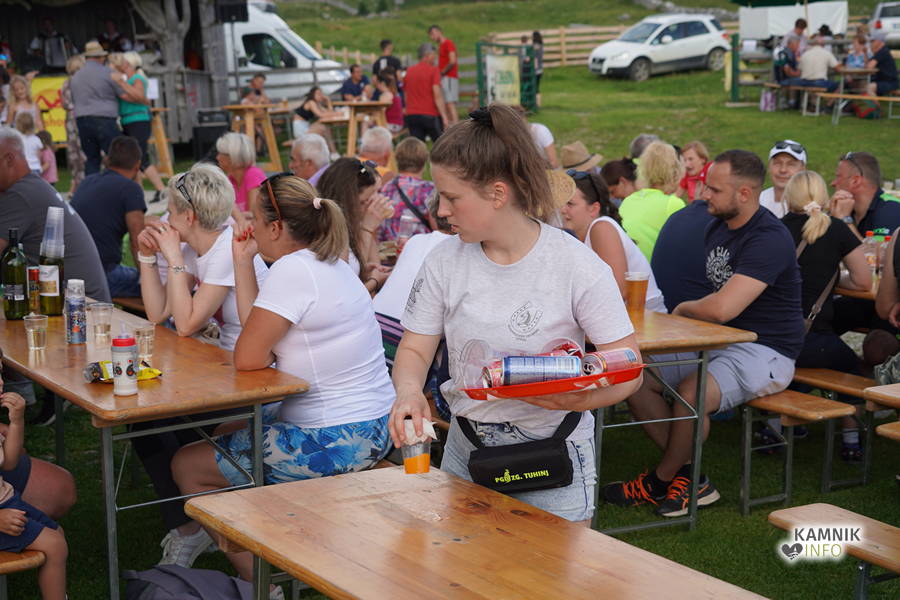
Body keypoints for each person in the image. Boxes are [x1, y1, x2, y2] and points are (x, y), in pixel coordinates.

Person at [390, 104, 642, 525]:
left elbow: (629, 369)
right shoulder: (443, 261)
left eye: (451, 197)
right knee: (460, 565)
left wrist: (581, 398)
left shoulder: (576, 265)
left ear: (497, 193)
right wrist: (410, 391)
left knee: (554, 568)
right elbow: (415, 348)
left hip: (554, 456)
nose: (441, 210)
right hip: (465, 449)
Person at [170, 174, 395, 584]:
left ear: (275, 228)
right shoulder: (330, 260)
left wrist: (259, 343)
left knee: (186, 464)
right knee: (226, 430)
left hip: (335, 437)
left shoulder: (293, 271)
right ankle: (271, 531)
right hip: (377, 423)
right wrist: (243, 262)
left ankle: (263, 584)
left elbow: (248, 357)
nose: (249, 226)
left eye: (255, 219)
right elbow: (259, 337)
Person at [604, 150, 803, 517]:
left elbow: (724, 307)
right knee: (632, 373)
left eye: (714, 189)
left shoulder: (769, 237)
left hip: (767, 349)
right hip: (722, 340)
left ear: (744, 194)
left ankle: (661, 481)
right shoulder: (717, 227)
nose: (702, 194)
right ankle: (691, 478)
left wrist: (682, 311)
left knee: (691, 394)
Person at [779, 170, 870, 462]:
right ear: (824, 197)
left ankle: (774, 426)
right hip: (811, 342)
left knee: (807, 364)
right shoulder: (837, 229)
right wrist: (830, 276)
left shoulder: (775, 229)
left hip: (774, 341)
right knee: (853, 370)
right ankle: (851, 440)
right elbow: (864, 282)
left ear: (788, 198)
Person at [138, 162, 267, 350]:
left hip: (248, 358)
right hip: (228, 353)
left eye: (170, 212)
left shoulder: (227, 249)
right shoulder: (195, 248)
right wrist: (146, 255)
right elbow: (157, 313)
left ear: (189, 217)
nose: (167, 219)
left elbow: (185, 326)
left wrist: (174, 259)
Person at [0, 127, 110, 301]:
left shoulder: (20, 196)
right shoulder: (32, 187)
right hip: (81, 299)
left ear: (8, 159)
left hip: (78, 307)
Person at [0, 351, 69, 600]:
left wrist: (17, 422)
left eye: (0, 373)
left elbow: (9, 463)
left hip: (8, 502)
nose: (1, 382)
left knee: (57, 534)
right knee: (55, 545)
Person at [561, 169, 666, 312]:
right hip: (628, 316)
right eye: (561, 203)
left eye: (570, 204)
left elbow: (619, 291)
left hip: (648, 319)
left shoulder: (601, 228)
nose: (562, 209)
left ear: (594, 209)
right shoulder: (581, 235)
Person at [830, 152, 900, 334]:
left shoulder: (891, 208)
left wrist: (844, 221)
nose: (833, 183)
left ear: (855, 181)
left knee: (877, 342)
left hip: (887, 303)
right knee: (822, 318)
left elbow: (876, 261)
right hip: (859, 296)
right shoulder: (847, 210)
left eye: (838, 177)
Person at [70, 136, 146, 298]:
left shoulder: (88, 181)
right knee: (163, 286)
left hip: (71, 271)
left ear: (108, 159)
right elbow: (138, 242)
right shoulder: (130, 189)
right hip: (100, 274)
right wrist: (148, 279)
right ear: (138, 164)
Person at [316, 158, 393, 294]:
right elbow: (345, 293)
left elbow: (365, 266)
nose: (372, 204)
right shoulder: (331, 232)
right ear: (347, 201)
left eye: (378, 192)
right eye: (364, 201)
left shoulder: (352, 223)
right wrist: (374, 281)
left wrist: (368, 271)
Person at [109, 51, 166, 199]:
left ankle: (161, 189)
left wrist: (121, 84)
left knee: (140, 156)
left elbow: (139, 97)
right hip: (128, 120)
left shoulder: (137, 78)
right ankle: (138, 190)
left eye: (123, 61)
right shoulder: (129, 79)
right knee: (133, 156)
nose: (121, 64)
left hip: (138, 120)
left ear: (129, 63)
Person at [651, 185, 716, 312]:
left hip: (661, 311)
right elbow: (722, 310)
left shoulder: (677, 215)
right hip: (692, 316)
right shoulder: (720, 223)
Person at [618, 141, 686, 261]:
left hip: (630, 268)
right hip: (655, 270)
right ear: (676, 171)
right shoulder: (673, 204)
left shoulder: (628, 200)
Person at [69, 41, 122, 176]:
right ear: (100, 57)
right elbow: (122, 93)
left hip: (82, 120)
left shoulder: (75, 77)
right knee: (116, 157)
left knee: (92, 159)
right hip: (104, 119)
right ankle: (116, 184)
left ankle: (92, 186)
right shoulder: (108, 73)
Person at [378, 137, 435, 242]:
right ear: (424, 161)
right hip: (419, 247)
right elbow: (437, 228)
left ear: (397, 160)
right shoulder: (428, 189)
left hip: (390, 247)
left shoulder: (386, 187)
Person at [215, 132, 266, 225]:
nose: (217, 157)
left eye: (220, 153)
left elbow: (254, 216)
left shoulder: (253, 174)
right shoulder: (230, 180)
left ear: (232, 156)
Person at [403, 43, 449, 142]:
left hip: (412, 115)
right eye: (433, 55)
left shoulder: (409, 71)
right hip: (429, 114)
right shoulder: (434, 70)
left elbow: (406, 94)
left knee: (417, 146)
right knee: (441, 145)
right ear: (426, 55)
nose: (435, 57)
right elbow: (437, 95)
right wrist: (444, 116)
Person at [760, 140, 807, 218]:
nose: (783, 170)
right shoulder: (758, 201)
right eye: (777, 163)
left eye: (791, 164)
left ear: (803, 169)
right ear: (769, 167)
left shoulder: (810, 206)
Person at [61, 54, 86, 195]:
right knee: (83, 152)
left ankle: (78, 184)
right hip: (81, 117)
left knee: (75, 154)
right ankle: (80, 184)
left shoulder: (66, 83)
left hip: (72, 120)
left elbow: (64, 103)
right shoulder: (83, 82)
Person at [428, 25, 458, 125]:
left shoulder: (448, 43)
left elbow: (452, 60)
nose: (432, 37)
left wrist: (441, 73)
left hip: (449, 76)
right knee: (447, 103)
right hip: (445, 77)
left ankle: (457, 127)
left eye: (432, 34)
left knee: (450, 103)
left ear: (439, 32)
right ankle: (450, 127)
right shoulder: (440, 46)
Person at [512, 105, 559, 169]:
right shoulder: (511, 136)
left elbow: (554, 163)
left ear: (525, 118)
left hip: (546, 171)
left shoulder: (541, 130)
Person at [866, 32, 899, 97]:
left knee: (869, 88)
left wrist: (872, 51)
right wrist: (865, 53)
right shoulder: (880, 51)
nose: (871, 44)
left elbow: (869, 66)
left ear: (878, 41)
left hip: (890, 82)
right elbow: (867, 65)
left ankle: (876, 104)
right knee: (863, 85)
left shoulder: (882, 51)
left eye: (872, 41)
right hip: (884, 81)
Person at [532, 31, 544, 107]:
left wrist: (534, 69)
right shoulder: (541, 46)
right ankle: (538, 104)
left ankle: (537, 105)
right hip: (540, 70)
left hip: (536, 70)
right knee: (537, 87)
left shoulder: (535, 47)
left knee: (535, 88)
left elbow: (535, 59)